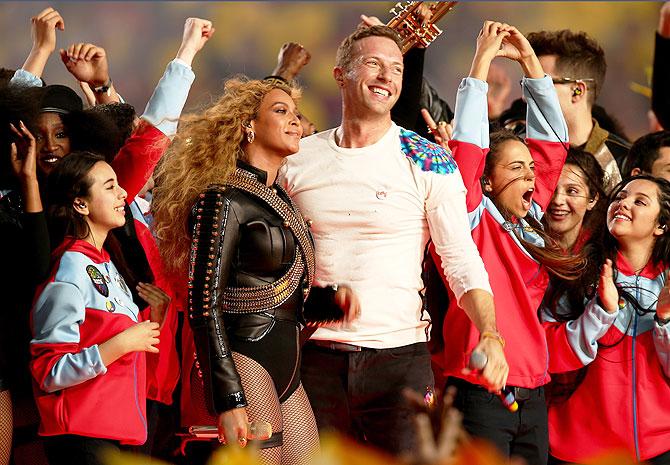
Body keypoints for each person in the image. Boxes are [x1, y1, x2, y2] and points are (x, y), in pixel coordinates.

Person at [279, 24, 508, 456]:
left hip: (400, 359)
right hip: (312, 359)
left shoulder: (428, 159)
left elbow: (459, 258)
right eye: (374, 64)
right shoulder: (297, 159)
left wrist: (490, 334)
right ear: (340, 75)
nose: (387, 77)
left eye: (397, 69)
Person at [152, 77, 357, 465]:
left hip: (286, 368)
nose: (296, 121)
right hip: (244, 361)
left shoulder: (282, 201)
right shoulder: (222, 198)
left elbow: (280, 297)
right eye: (281, 112)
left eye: (297, 113)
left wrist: (331, 303)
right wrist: (228, 398)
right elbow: (203, 302)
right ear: (248, 125)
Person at [438, 21, 581, 465]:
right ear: (485, 180)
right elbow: (468, 147)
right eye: (515, 168)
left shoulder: (531, 223)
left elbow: (553, 147)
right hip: (479, 388)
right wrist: (481, 61)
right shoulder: (472, 220)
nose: (530, 175)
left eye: (529, 169)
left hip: (533, 391)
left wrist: (531, 65)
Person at [30, 151, 166, 465]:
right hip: (81, 439)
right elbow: (49, 371)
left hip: (117, 437)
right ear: (80, 204)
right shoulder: (70, 267)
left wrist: (148, 325)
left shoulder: (106, 262)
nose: (123, 194)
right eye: (109, 186)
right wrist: (121, 343)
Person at [542, 175, 670, 464]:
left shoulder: (668, 282)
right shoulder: (575, 272)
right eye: (620, 197)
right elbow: (547, 354)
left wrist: (664, 318)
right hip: (577, 447)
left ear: (661, 225)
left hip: (658, 447)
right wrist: (600, 311)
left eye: (639, 201)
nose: (623, 204)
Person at [527, 29, 630, 191]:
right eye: (527, 85)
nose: (525, 98)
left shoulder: (625, 161)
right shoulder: (518, 153)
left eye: (541, 85)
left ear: (577, 91)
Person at [543, 148, 607, 252]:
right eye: (551, 189)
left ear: (592, 199)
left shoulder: (602, 255)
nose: (558, 200)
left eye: (572, 191)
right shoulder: (520, 240)